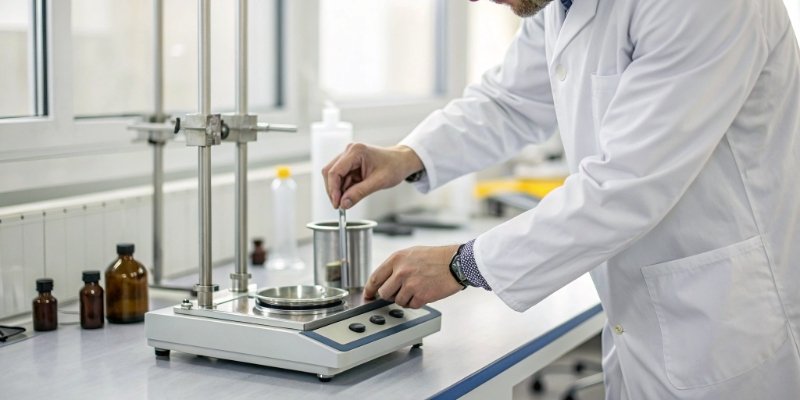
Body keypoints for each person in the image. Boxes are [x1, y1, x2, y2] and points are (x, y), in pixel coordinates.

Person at [323, 0, 800, 398]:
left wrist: (462, 264)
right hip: (646, 313)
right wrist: (406, 156)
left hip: (725, 321)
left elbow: (627, 184)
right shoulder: (562, 5)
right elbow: (508, 101)